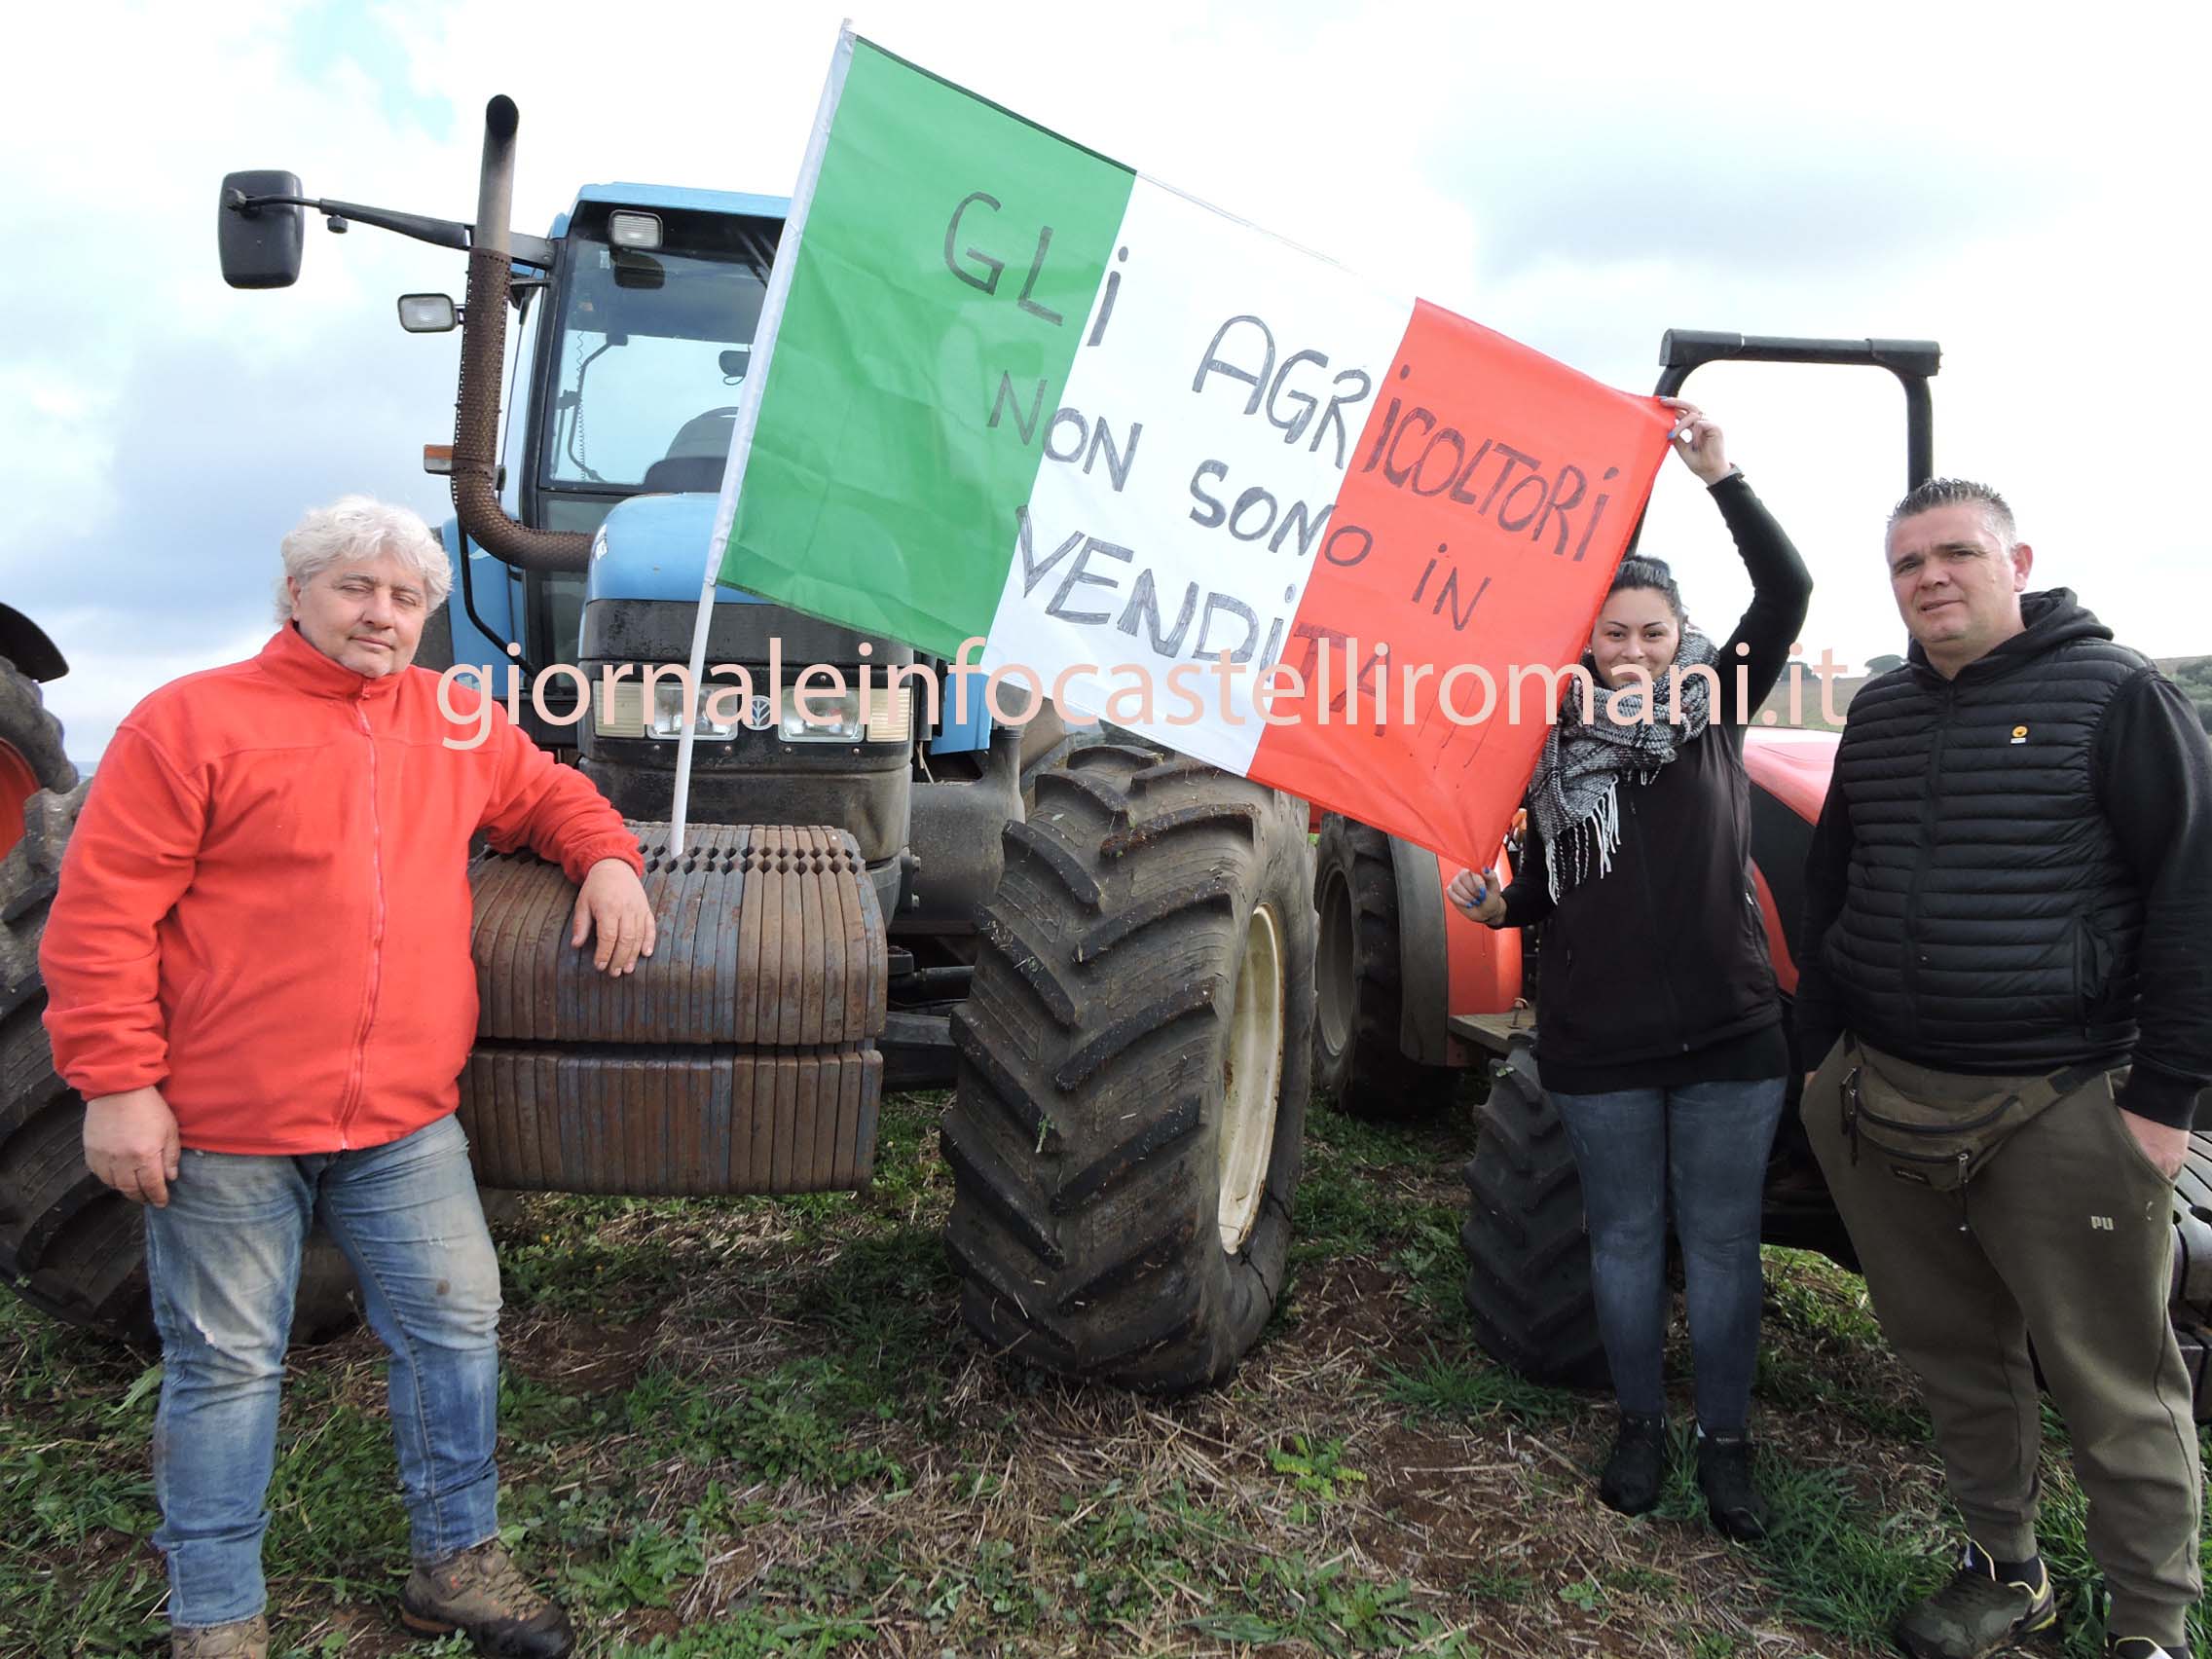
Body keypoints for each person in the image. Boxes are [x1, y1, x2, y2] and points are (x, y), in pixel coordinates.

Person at [41, 498, 659, 1659]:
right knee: (225, 1365)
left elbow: (552, 798)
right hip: (226, 1123)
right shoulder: (191, 723)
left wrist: (611, 861)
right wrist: (119, 1086)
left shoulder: (457, 721)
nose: (383, 614)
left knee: (456, 1328)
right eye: (356, 589)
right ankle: (218, 1617)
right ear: (297, 594)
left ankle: (458, 1563)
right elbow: (100, 919)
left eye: (407, 597)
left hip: (402, 1122)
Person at [1794, 479, 2210, 1659]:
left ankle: (2150, 1627)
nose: (1929, 577)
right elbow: (1831, 892)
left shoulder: (2118, 697)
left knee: (2112, 1379)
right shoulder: (1877, 714)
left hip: (2059, 1102)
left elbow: (2194, 899)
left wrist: (2163, 1106)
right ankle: (2002, 1569)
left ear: (2015, 560)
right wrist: (1817, 1069)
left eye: (1954, 554)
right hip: (1880, 1094)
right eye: (1906, 564)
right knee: (1950, 1352)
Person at [1451, 399, 1812, 1539]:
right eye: (1612, 634)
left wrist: (1721, 476)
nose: (1633, 652)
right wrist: (1498, 902)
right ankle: (1641, 1425)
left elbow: (1788, 591)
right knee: (1618, 1238)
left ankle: (1727, 1443)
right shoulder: (1546, 747)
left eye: (1652, 632)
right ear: (1583, 641)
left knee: (1716, 1241)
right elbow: (1554, 884)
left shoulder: (1714, 710)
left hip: (1728, 1033)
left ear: (1682, 636)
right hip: (1597, 1037)